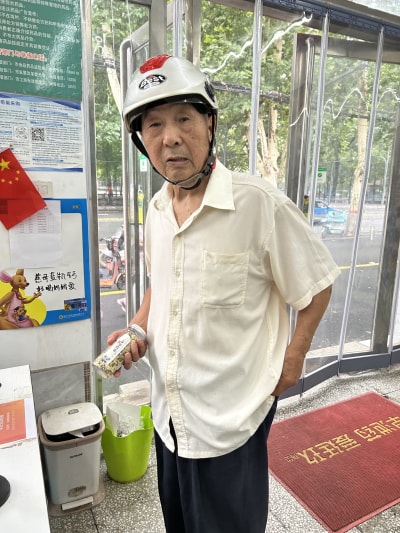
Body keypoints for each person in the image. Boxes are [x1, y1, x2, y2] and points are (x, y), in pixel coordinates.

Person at [107, 54, 341, 533]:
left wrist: (294, 356)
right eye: (154, 125)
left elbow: (318, 284)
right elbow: (161, 286)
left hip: (230, 425)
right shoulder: (157, 211)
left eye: (184, 119)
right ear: (141, 139)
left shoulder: (259, 205)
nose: (170, 137)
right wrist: (137, 329)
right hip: (170, 421)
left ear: (210, 124)